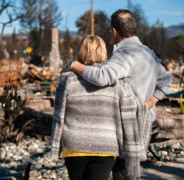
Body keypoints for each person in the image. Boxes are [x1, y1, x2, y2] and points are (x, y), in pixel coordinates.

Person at [69, 9, 172, 179]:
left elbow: (102, 77)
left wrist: (75, 66)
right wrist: (150, 102)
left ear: (114, 31)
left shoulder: (125, 54)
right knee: (129, 172)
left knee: (123, 173)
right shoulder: (148, 52)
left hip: (126, 125)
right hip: (143, 121)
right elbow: (166, 79)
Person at [50, 35, 139, 180]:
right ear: (104, 52)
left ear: (80, 52)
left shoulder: (67, 79)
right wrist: (132, 156)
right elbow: (129, 121)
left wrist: (54, 148)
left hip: (74, 146)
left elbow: (58, 116)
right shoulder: (118, 83)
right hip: (106, 145)